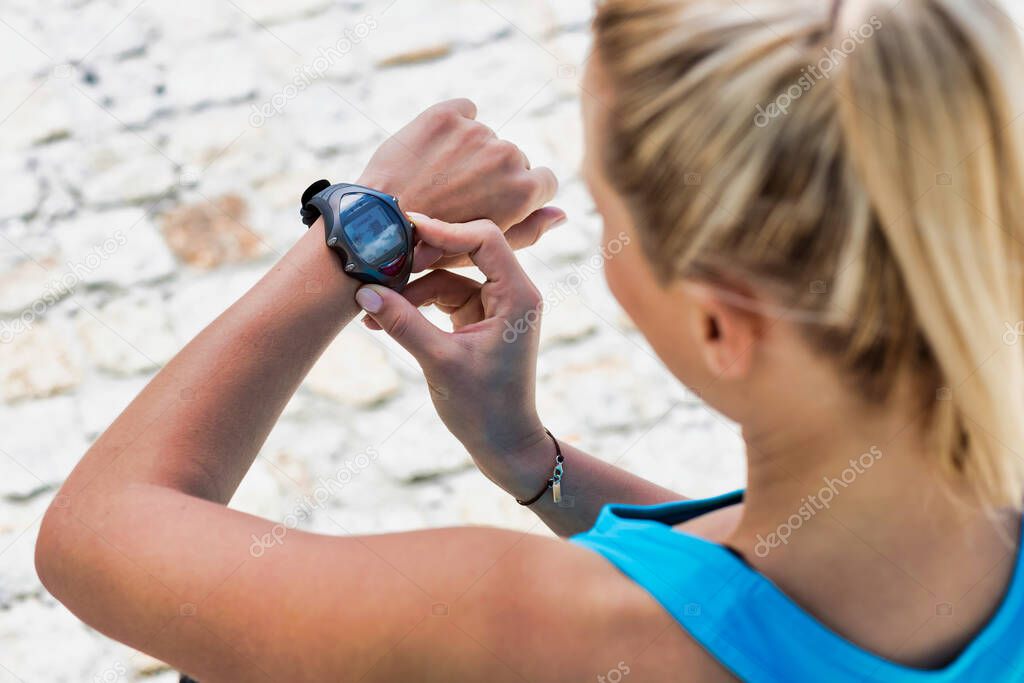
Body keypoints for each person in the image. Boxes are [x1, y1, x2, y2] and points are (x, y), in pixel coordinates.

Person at [35, 0, 1024, 680]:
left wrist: (358, 232)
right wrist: (530, 458)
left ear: (721, 322)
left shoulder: (515, 626)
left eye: (604, 206)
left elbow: (98, 533)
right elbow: (762, 595)